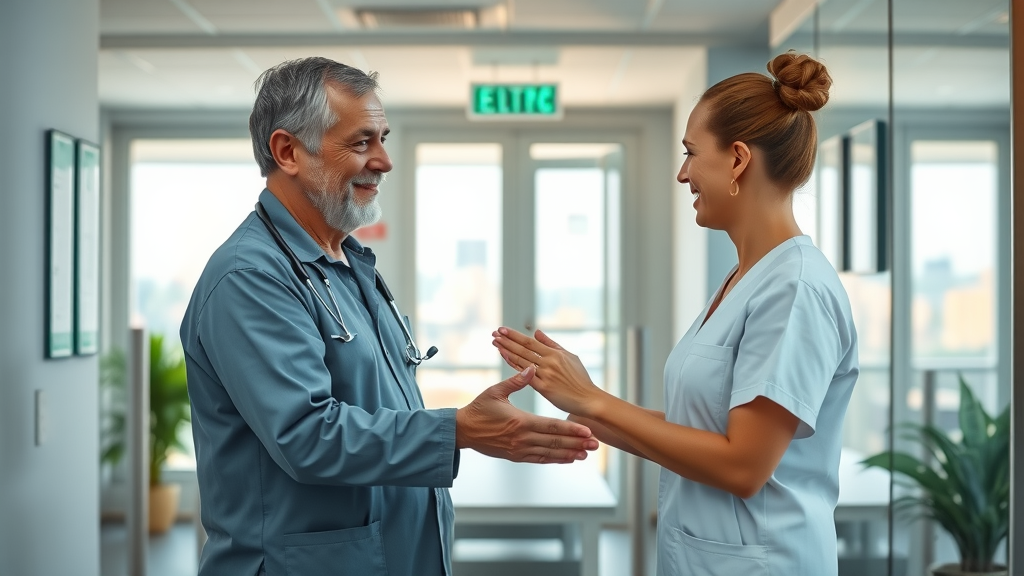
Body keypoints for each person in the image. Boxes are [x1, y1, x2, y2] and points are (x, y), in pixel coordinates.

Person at [179, 56, 598, 576]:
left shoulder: (347, 263)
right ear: (288, 151)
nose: (384, 160)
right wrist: (459, 430)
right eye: (361, 142)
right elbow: (307, 435)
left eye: (383, 138)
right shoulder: (250, 278)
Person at [493, 51, 858, 576]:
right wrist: (583, 408)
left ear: (737, 160)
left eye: (691, 153)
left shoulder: (795, 288)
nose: (682, 174)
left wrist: (594, 400)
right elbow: (705, 429)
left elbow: (743, 465)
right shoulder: (745, 279)